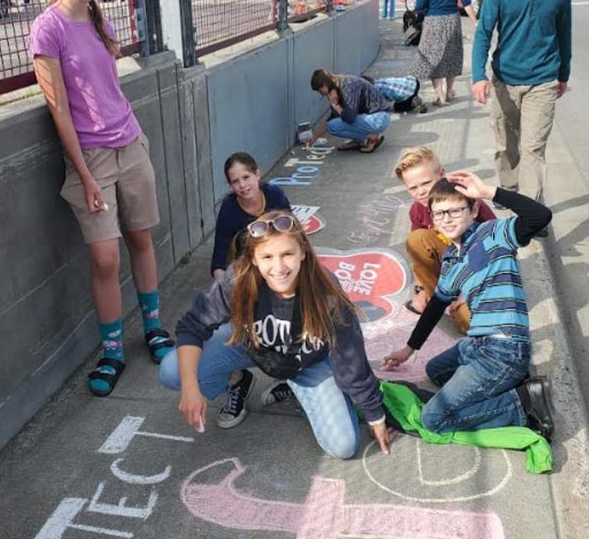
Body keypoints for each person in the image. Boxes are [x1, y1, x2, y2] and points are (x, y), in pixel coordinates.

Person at [28, 0, 173, 397]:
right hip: (90, 157)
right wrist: (86, 176)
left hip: (130, 142)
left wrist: (131, 139)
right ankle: (112, 349)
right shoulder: (46, 28)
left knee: (141, 237)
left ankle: (153, 327)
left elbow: (107, 88)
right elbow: (60, 110)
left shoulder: (96, 17)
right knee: (105, 256)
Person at [159, 211, 396, 456]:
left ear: (303, 252)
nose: (278, 267)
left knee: (344, 447)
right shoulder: (238, 278)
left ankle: (295, 389)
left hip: (307, 363)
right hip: (251, 346)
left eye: (287, 255)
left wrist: (375, 415)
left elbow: (350, 358)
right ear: (253, 258)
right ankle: (236, 382)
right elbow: (193, 326)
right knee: (172, 370)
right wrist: (190, 388)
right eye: (268, 257)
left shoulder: (325, 290)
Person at [381, 172, 555, 440]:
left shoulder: (494, 234)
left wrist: (489, 192)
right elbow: (436, 305)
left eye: (454, 210)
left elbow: (540, 216)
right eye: (439, 214)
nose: (446, 219)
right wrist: (409, 348)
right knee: (435, 371)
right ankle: (503, 386)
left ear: (474, 210)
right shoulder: (452, 258)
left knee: (433, 419)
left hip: (504, 349)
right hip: (477, 346)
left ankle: (523, 403)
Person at [471, 0, 571, 203]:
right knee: (506, 146)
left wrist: (563, 73)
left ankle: (530, 212)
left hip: (543, 79)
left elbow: (564, 32)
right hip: (505, 79)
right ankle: (509, 189)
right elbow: (483, 33)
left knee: (533, 150)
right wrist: (478, 75)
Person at [210, 152, 294, 410]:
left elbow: (295, 235)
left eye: (246, 177)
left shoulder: (276, 195)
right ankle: (237, 380)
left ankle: (290, 379)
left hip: (278, 269)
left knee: (292, 322)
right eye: (235, 181)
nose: (242, 185)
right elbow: (217, 263)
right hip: (245, 274)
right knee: (227, 330)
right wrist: (229, 289)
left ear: (258, 173)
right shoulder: (229, 209)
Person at [394, 146, 495, 332]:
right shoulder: (417, 210)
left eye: (426, 183)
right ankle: (440, 299)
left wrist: (469, 290)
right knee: (416, 239)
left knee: (470, 324)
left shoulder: (467, 200)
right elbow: (418, 254)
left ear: (441, 174)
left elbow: (499, 250)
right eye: (413, 188)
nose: (421, 192)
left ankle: (461, 304)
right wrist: (421, 287)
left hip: (481, 269)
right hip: (451, 265)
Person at [412, 0, 477, 106]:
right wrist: (475, 21)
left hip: (433, 21)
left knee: (433, 58)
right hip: (453, 20)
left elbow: (420, 4)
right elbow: (466, 1)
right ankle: (449, 91)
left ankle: (439, 95)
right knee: (451, 56)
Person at [309, 68, 391, 153]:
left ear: (324, 84)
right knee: (333, 125)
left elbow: (350, 117)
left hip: (379, 118)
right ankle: (359, 140)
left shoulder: (347, 85)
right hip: (373, 118)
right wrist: (314, 138)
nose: (321, 93)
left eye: (320, 90)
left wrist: (335, 105)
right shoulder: (337, 88)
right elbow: (334, 117)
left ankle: (372, 138)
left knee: (333, 126)